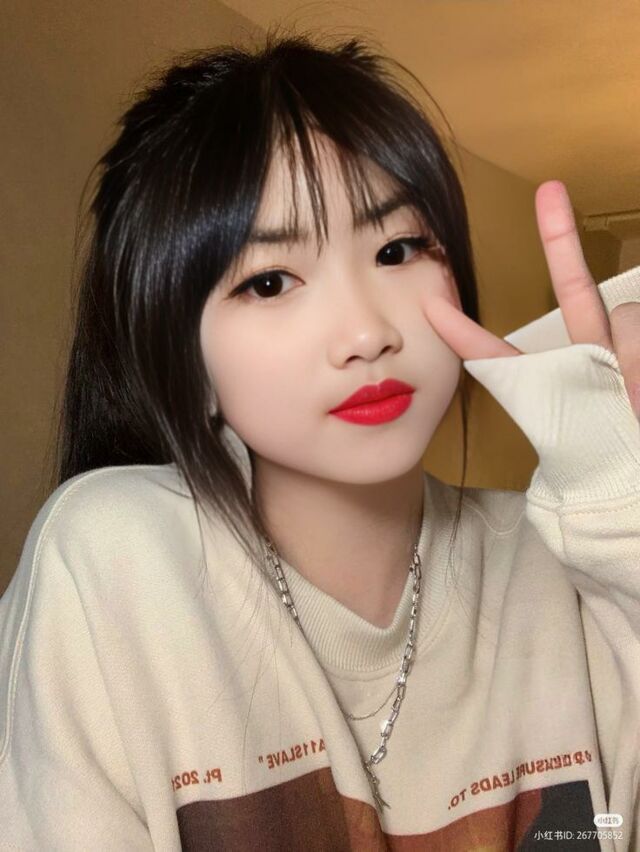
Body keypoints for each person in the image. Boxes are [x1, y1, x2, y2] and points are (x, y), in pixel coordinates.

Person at [0, 33, 639, 851]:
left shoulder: (565, 560)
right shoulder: (119, 561)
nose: (367, 333)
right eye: (270, 282)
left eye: (396, 249)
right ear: (178, 352)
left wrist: (625, 519)